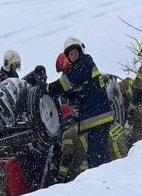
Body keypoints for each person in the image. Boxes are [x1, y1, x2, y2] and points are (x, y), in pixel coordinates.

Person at [47, 37, 114, 168]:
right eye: (70, 54)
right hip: (97, 117)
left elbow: (67, 82)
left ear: (80, 52)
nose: (73, 55)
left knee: (95, 158)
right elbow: (80, 92)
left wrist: (49, 88)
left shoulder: (84, 63)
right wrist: (66, 93)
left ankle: (99, 181)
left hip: (97, 117)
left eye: (75, 52)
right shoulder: (83, 67)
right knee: (96, 156)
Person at [57, 104, 88, 183]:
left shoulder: (68, 134)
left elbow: (67, 156)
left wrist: (60, 177)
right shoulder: (83, 126)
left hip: (81, 171)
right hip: (93, 166)